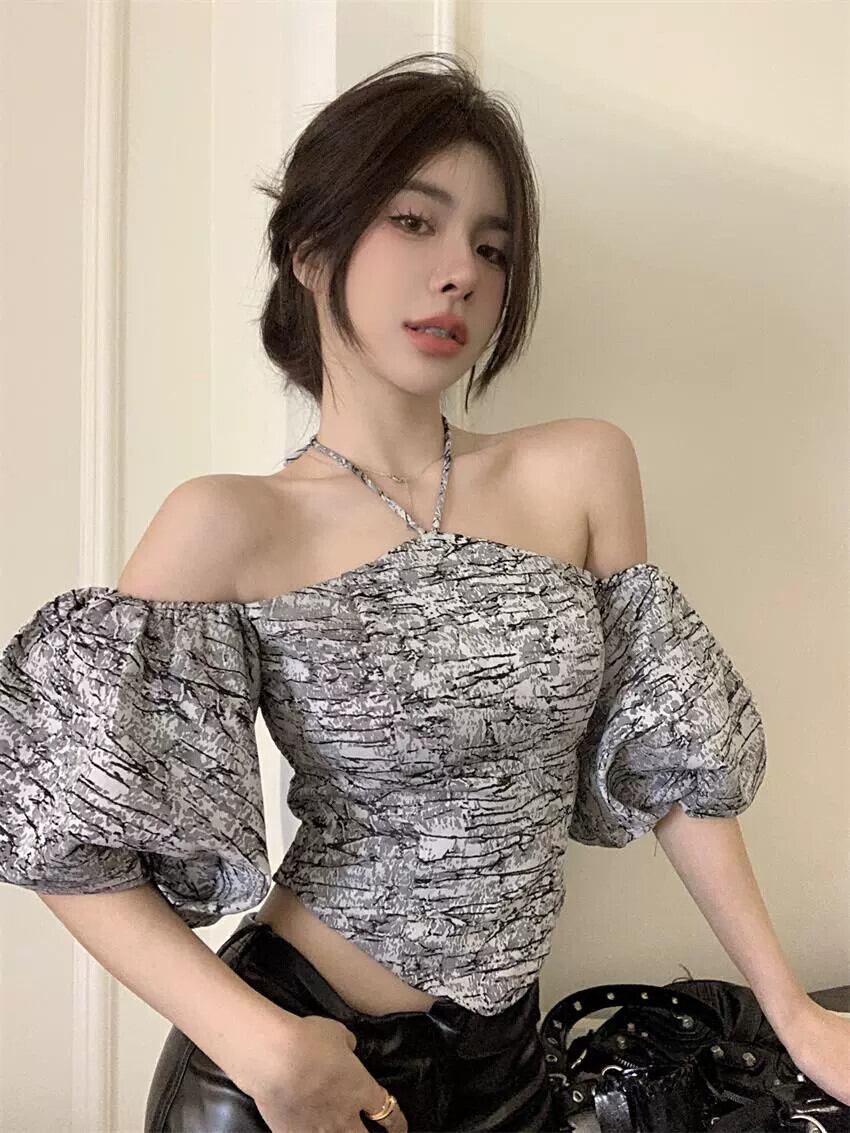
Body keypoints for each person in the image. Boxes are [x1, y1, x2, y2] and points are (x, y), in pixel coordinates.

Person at [0, 52, 770, 1132]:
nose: (460, 273)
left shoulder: (582, 469)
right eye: (414, 222)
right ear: (312, 249)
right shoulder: (229, 523)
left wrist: (790, 1008)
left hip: (510, 1062)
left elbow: (672, 764)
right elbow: (62, 828)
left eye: (492, 248)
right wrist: (262, 1047)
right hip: (297, 1065)